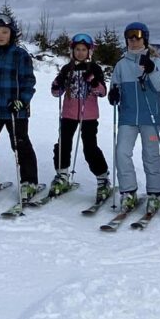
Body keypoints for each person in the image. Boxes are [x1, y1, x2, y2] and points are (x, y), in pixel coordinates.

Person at [0, 13, 39, 199]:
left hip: (15, 110)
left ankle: (29, 181)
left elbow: (29, 82)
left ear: (12, 33)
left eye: (4, 32)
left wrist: (22, 100)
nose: (1, 35)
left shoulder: (20, 55)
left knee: (20, 144)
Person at [108, 22, 160, 214]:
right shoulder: (121, 64)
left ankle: (155, 193)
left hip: (150, 117)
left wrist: (150, 70)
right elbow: (114, 87)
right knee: (121, 153)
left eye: (138, 38)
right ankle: (129, 191)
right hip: (128, 116)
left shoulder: (154, 61)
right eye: (130, 38)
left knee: (150, 154)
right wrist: (114, 94)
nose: (133, 41)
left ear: (145, 39)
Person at [50, 33, 111, 201]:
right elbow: (56, 93)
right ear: (72, 50)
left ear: (89, 51)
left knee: (90, 148)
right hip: (69, 114)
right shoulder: (66, 69)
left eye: (84, 49)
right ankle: (62, 175)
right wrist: (57, 84)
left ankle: (103, 178)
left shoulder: (95, 69)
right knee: (63, 144)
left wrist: (92, 81)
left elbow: (103, 92)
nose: (80, 52)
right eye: (77, 49)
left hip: (89, 116)